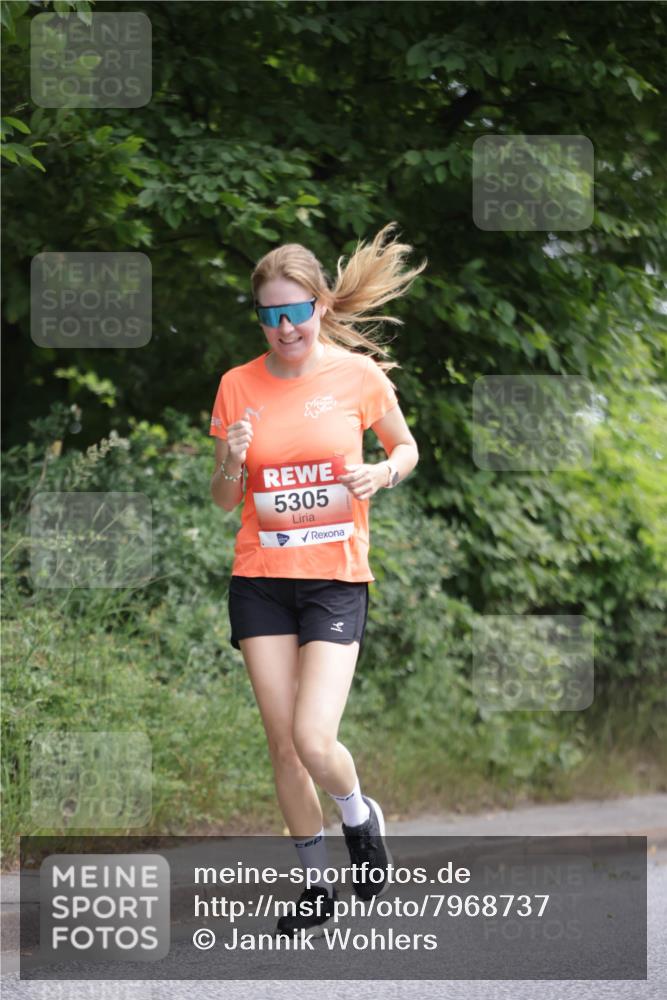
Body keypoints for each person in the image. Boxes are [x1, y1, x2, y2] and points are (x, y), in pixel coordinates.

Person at [209, 221, 425, 938]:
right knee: (280, 744)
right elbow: (222, 499)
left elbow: (404, 446)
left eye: (295, 310)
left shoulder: (358, 377)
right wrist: (232, 461)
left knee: (311, 736)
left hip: (334, 580)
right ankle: (314, 885)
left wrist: (381, 472)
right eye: (269, 314)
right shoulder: (236, 386)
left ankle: (359, 815)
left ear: (320, 307)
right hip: (261, 580)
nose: (283, 326)